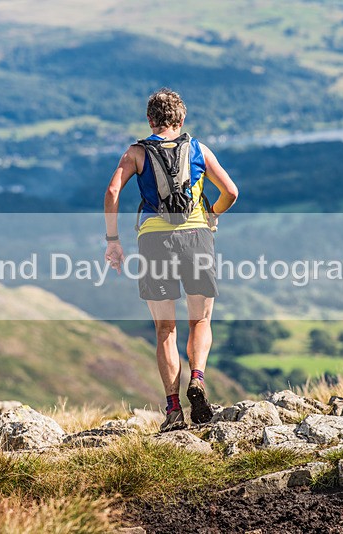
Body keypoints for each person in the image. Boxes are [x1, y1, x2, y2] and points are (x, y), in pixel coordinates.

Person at [103, 88, 239, 431]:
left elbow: (113, 192)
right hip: (196, 236)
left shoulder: (136, 153)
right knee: (200, 320)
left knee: (165, 330)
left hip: (153, 241)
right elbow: (232, 192)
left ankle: (174, 409)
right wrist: (211, 214)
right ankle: (197, 377)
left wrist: (113, 241)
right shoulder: (198, 149)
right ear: (181, 120)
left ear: (150, 121)